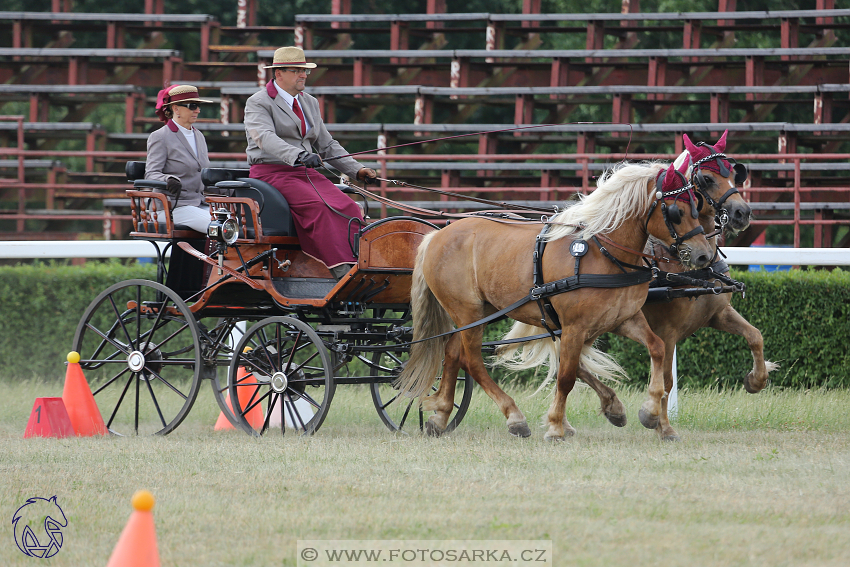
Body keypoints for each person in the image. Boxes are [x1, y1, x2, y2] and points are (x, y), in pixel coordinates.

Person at [244, 46, 378, 279]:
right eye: (297, 70)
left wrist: (357, 169)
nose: (303, 75)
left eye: (304, 70)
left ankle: (361, 263)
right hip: (272, 173)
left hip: (303, 172)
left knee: (348, 207)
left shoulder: (310, 103)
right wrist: (297, 155)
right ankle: (339, 268)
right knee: (319, 208)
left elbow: (327, 144)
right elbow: (264, 137)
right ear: (279, 74)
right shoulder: (259, 102)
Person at [145, 84, 218, 233]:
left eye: (198, 106)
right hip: (172, 207)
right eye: (192, 106)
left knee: (234, 221)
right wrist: (168, 179)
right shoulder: (160, 137)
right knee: (221, 226)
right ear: (176, 108)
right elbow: (150, 173)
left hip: (199, 204)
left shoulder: (199, 136)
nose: (197, 110)